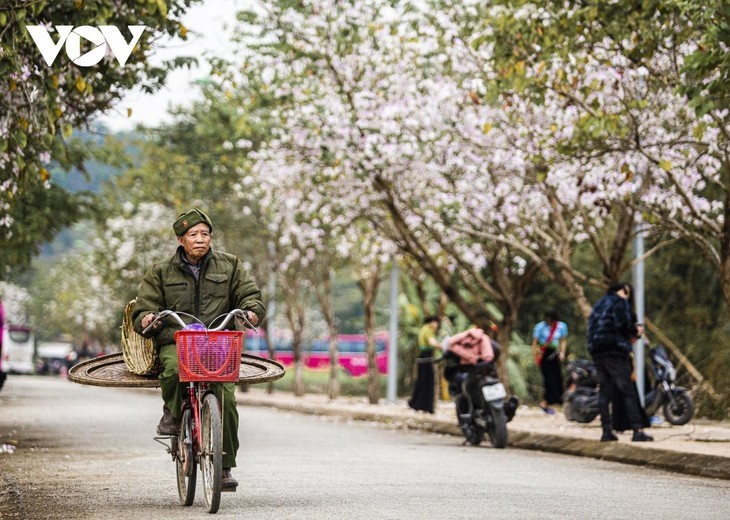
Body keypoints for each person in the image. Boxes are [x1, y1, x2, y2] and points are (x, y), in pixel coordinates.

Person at [133, 208, 266, 490]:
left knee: (226, 398)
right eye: (193, 234)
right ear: (181, 240)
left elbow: (250, 294)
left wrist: (252, 312)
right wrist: (147, 318)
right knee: (171, 370)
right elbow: (145, 306)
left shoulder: (230, 266)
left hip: (218, 342)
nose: (200, 239)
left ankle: (224, 467)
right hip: (176, 340)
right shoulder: (160, 271)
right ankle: (173, 411)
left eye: (205, 234)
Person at [587, 282, 653, 442]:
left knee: (605, 392)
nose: (627, 296)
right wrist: (635, 331)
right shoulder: (619, 301)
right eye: (626, 293)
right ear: (621, 291)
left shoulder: (599, 304)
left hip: (597, 351)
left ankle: (606, 431)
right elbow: (623, 325)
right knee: (627, 390)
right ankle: (637, 430)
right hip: (615, 351)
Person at [531, 310, 567, 415]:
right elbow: (535, 343)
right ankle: (545, 403)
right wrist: (535, 356)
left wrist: (562, 353)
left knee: (557, 378)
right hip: (544, 354)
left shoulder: (561, 326)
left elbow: (563, 340)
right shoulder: (540, 327)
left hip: (555, 354)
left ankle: (553, 402)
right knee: (548, 379)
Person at [408, 316, 441, 413]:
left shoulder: (423, 329)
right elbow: (432, 342)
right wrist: (442, 345)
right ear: (432, 322)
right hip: (427, 359)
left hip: (422, 358)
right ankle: (425, 407)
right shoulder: (428, 330)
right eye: (436, 322)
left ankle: (416, 404)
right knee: (428, 382)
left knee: (421, 381)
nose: (437, 325)